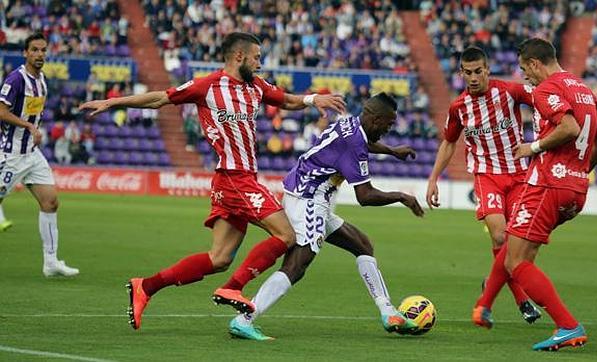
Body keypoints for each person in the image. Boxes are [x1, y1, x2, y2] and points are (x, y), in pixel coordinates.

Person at [80, 32, 346, 330]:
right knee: (287, 235)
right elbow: (160, 98)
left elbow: (286, 101)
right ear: (239, 56)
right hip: (235, 178)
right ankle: (233, 287)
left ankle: (146, 287)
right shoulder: (207, 85)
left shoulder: (255, 86)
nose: (260, 63)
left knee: (218, 257)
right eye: (257, 57)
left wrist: (313, 99)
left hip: (232, 181)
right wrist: (114, 102)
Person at [227, 93, 425, 340]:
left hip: (309, 194)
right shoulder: (354, 141)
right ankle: (244, 319)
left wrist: (392, 151)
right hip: (308, 199)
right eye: (389, 123)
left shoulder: (350, 124)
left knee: (362, 245)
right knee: (297, 264)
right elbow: (365, 196)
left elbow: (363, 144)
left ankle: (388, 312)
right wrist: (402, 197)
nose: (389, 128)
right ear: (376, 119)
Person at [476, 38, 597, 351]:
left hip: (547, 185)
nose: (526, 77)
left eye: (526, 70)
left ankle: (568, 325)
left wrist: (531, 148)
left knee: (517, 262)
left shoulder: (548, 88)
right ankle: (484, 305)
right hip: (576, 190)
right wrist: (578, 171)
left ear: (536, 63)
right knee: (515, 247)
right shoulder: (583, 89)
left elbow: (568, 128)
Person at [424, 46, 540, 324]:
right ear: (461, 74)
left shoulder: (510, 92)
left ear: (487, 69)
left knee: (519, 247)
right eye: (468, 73)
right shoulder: (459, 107)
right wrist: (433, 179)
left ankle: (493, 282)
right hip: (487, 176)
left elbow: (543, 99)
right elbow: (449, 142)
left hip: (520, 175)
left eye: (478, 71)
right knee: (500, 237)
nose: (474, 77)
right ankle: (522, 300)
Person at [0, 33, 79, 276]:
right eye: (34, 50)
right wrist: (29, 127)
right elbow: (1, 111)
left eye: (43, 50)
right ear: (25, 53)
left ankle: (51, 262)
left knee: (51, 202)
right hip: (12, 153)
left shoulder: (42, 80)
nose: (39, 54)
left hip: (32, 154)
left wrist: (32, 129)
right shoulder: (16, 79)